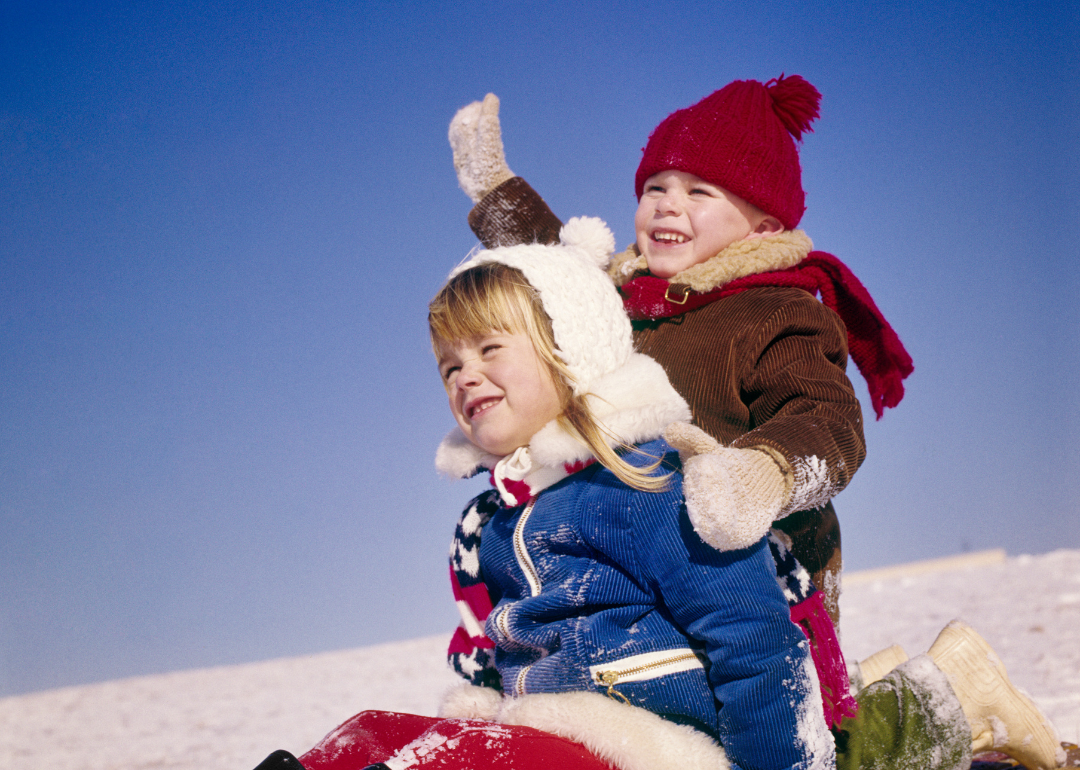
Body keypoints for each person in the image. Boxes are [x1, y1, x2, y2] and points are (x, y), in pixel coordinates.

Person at [252, 221, 1064, 770]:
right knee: (386, 737)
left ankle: (944, 698)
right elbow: (491, 660)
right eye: (448, 365)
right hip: (560, 736)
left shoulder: (640, 487)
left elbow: (754, 645)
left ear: (568, 352)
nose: (466, 374)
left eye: (490, 348)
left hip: (659, 748)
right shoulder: (493, 525)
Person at [447, 77, 915, 633]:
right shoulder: (621, 299)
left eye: (699, 192)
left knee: (760, 705)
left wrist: (763, 473)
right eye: (656, 188)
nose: (669, 206)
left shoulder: (777, 313)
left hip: (754, 583)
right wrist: (495, 191)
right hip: (632, 568)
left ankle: (907, 708)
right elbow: (558, 276)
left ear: (762, 226)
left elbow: (828, 422)